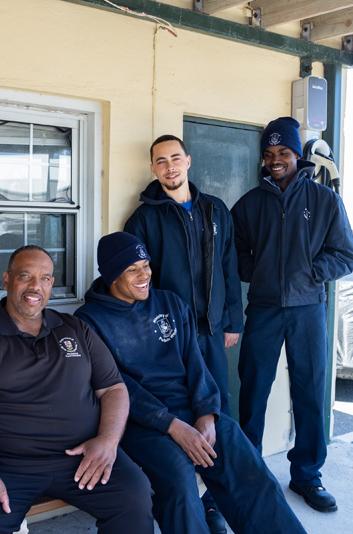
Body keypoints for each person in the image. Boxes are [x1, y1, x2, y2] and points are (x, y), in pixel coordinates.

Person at [75, 232, 306, 534]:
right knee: (180, 485)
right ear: (111, 274)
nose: (145, 275)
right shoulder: (88, 321)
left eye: (146, 265)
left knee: (248, 468)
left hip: (193, 410)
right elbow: (118, 387)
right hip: (141, 425)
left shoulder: (170, 303)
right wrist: (171, 425)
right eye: (133, 269)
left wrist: (207, 414)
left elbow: (196, 364)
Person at [0, 246, 153, 534]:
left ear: (52, 284)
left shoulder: (76, 329)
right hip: (3, 466)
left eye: (45, 278)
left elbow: (113, 388)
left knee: (134, 497)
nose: (35, 286)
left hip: (81, 459)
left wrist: (108, 441)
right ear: (6, 280)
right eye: (25, 276)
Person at [230, 117, 353, 513]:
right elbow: (236, 255)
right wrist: (260, 274)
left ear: (296, 154)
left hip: (308, 311)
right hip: (265, 310)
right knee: (253, 392)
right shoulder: (250, 204)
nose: (275, 161)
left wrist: (311, 273)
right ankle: (249, 474)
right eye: (268, 155)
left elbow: (345, 255)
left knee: (309, 393)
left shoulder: (324, 201)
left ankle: (306, 475)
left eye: (282, 153)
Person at [124, 134, 243, 532]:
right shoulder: (143, 218)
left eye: (176, 158)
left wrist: (232, 321)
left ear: (188, 161)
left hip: (211, 332)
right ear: (153, 169)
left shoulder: (215, 210)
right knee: (180, 410)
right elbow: (138, 285)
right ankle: (185, 495)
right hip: (168, 336)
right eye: (161, 161)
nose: (170, 166)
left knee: (216, 410)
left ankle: (213, 500)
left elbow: (230, 268)